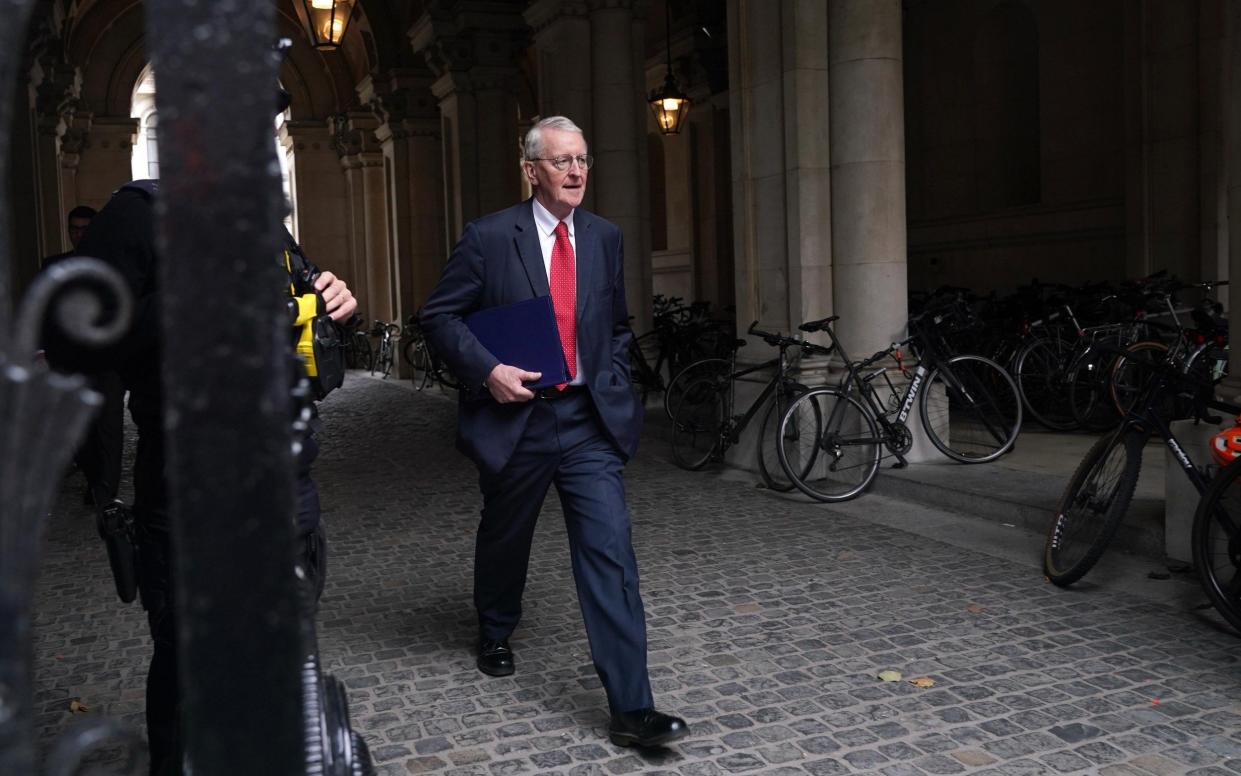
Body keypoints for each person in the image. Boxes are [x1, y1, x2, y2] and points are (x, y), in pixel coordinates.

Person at [421, 115, 690, 749]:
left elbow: (616, 324)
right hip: (519, 419)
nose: (576, 173)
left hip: (586, 420)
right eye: (562, 162)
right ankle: (494, 627)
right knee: (506, 534)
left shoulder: (604, 236)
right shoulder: (489, 238)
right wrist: (487, 371)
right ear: (531, 169)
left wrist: (613, 378)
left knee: (610, 550)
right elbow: (439, 315)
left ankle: (632, 706)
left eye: (583, 161)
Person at [39, 204, 125, 508]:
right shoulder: (53, 266)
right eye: (74, 229)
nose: (78, 235)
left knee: (110, 428)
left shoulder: (116, 266)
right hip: (69, 362)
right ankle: (95, 478)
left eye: (84, 229)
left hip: (108, 360)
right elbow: (44, 314)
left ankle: (105, 490)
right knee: (80, 432)